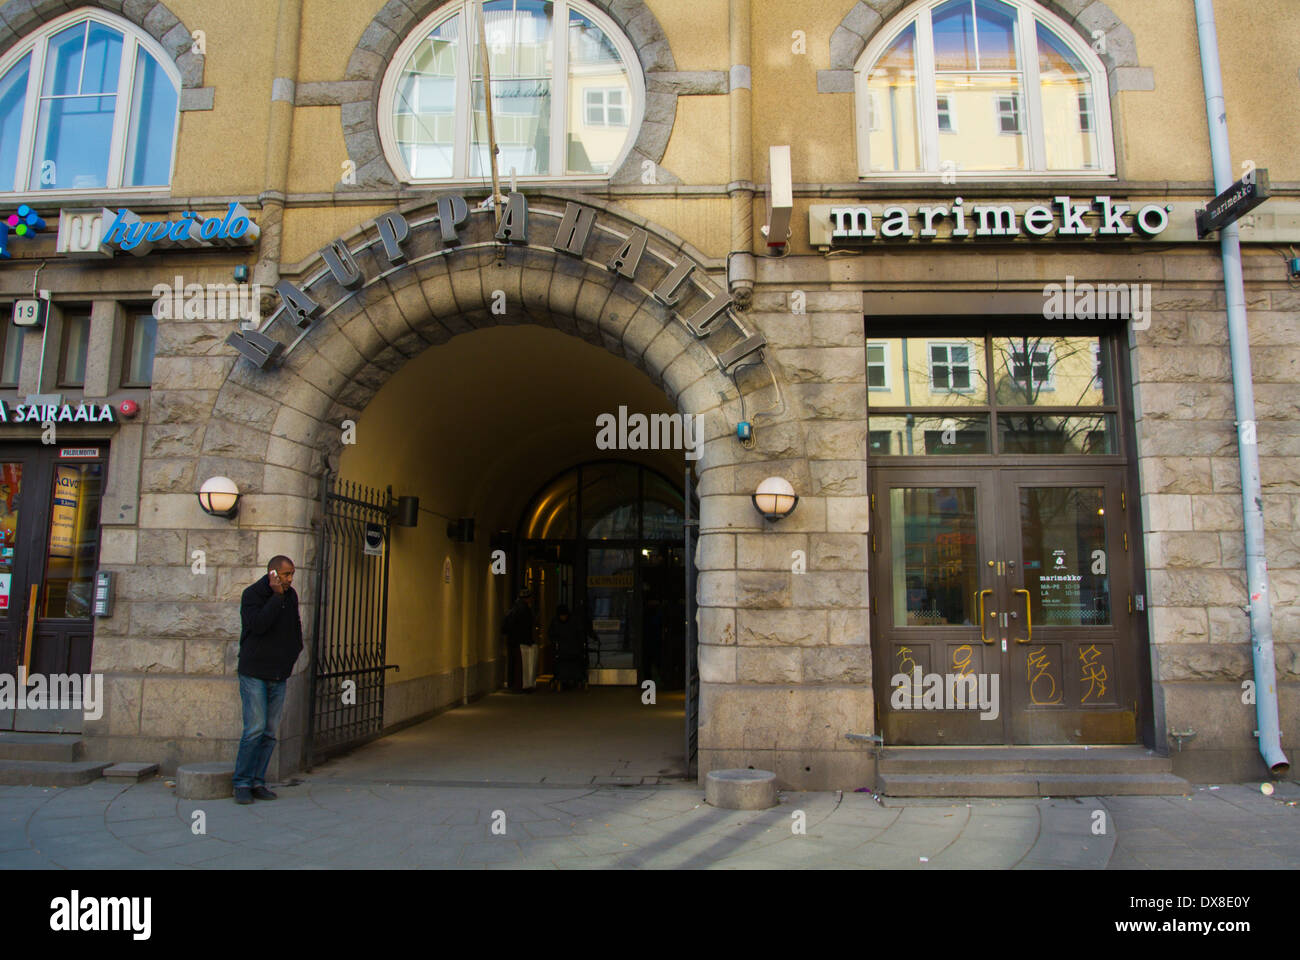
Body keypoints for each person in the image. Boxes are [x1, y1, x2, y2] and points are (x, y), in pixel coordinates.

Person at [233, 556, 303, 804]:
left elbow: (295, 628)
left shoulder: (291, 596)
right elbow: (258, 626)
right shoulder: (253, 594)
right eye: (285, 574)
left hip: (278, 673)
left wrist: (292, 655)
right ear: (273, 573)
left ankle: (258, 781)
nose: (290, 579)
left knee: (270, 732)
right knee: (255, 728)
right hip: (254, 673)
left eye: (292, 574)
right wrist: (275, 597)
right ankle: (241, 781)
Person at [501, 589, 534, 692]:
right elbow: (525, 626)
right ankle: (519, 685)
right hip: (520, 641)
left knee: (514, 662)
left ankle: (514, 684)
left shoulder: (515, 608)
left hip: (513, 640)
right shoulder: (523, 609)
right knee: (520, 664)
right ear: (527, 598)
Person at [549, 604, 587, 690]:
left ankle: (566, 678)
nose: (563, 617)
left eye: (564, 615)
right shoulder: (573, 621)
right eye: (562, 616)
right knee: (569, 663)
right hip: (566, 649)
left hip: (569, 649)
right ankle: (571, 678)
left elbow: (580, 635)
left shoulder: (570, 622)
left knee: (568, 663)